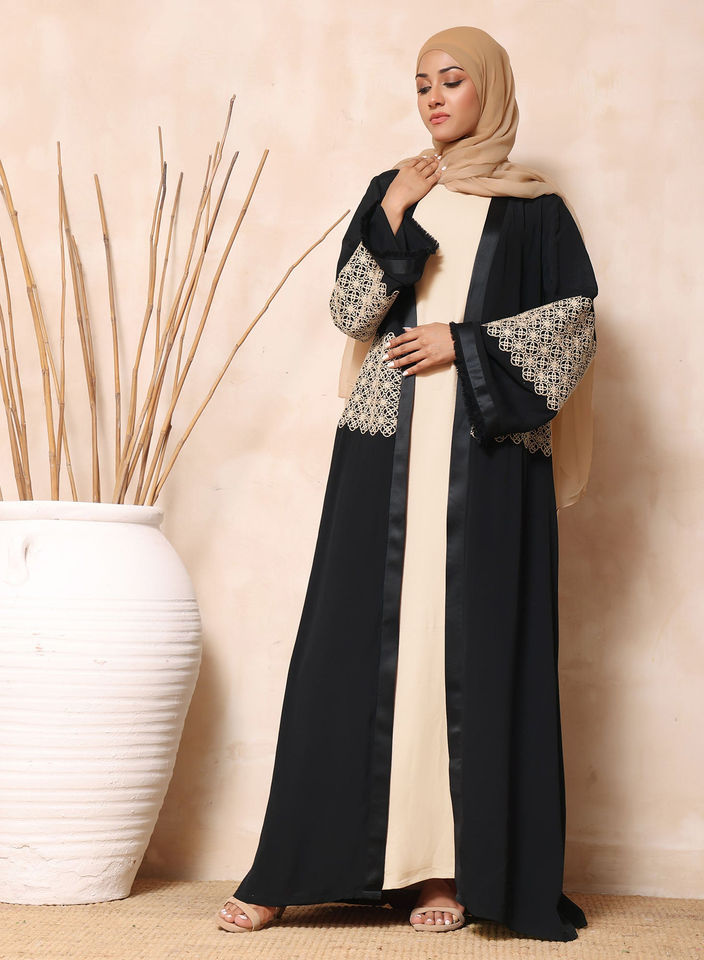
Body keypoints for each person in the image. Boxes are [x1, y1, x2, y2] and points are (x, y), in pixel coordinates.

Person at [217, 25, 598, 942]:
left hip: (488, 459)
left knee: (466, 651)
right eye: (422, 83)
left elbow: (575, 327)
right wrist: (391, 211)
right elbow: (352, 311)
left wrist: (462, 344)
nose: (433, 98)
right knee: (352, 646)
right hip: (384, 449)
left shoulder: (537, 211)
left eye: (452, 81)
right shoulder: (394, 189)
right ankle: (293, 870)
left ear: (490, 89)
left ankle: (443, 872)